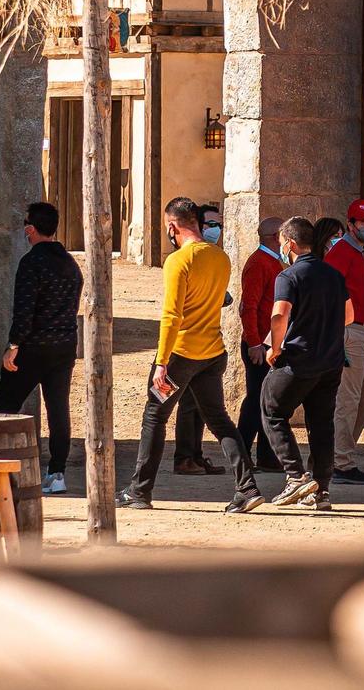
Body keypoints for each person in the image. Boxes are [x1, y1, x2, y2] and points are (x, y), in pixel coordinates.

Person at [118, 196, 260, 513]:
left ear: (172, 226)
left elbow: (171, 316)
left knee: (154, 417)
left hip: (180, 356)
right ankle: (247, 487)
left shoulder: (178, 261)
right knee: (220, 421)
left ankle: (139, 491)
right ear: (197, 222)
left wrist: (161, 362)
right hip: (212, 353)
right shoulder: (220, 258)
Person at [0, 201, 82, 496]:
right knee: (58, 409)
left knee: (5, 406)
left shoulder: (31, 263)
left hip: (33, 347)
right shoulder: (70, 264)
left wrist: (13, 346)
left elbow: (24, 310)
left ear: (31, 228)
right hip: (63, 347)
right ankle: (57, 473)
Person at [262, 216, 350, 510]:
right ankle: (321, 491)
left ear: (289, 243)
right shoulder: (334, 275)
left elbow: (278, 315)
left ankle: (296, 476)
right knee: (322, 424)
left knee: (272, 411)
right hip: (332, 361)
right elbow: (349, 316)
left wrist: (275, 348)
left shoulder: (288, 276)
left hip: (299, 359)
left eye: (282, 242)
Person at [320, 199, 364, 486]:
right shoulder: (341, 253)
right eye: (363, 222)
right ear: (351, 224)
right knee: (349, 399)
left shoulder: (361, 253)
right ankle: (340, 463)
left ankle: (340, 456)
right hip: (348, 332)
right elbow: (328, 296)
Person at [172, 202, 232, 475]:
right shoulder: (184, 257)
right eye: (209, 224)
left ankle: (194, 455)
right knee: (184, 406)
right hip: (184, 346)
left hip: (208, 346)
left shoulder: (216, 256)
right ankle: (184, 457)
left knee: (200, 408)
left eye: (218, 225)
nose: (214, 230)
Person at [235, 216, 286, 473]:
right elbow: (250, 306)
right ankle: (242, 453)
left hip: (270, 343)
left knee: (269, 401)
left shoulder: (273, 262)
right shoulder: (259, 263)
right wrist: (254, 343)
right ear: (277, 237)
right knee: (256, 400)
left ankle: (266, 456)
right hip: (260, 345)